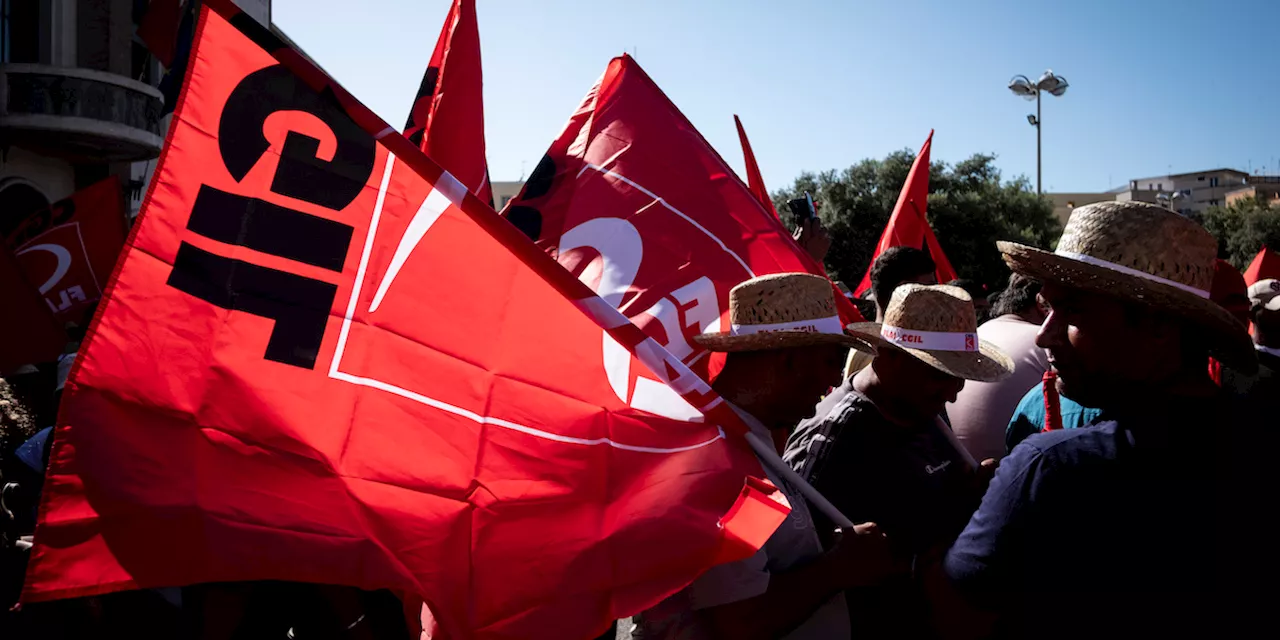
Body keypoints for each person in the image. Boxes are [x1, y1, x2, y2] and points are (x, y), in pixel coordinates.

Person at [945, 201, 1269, 639]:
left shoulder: (1050, 469)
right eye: (1047, 309)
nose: (1045, 335)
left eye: (1073, 312)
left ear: (1158, 326)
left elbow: (957, 611)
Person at [633, 273, 900, 640]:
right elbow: (742, 619)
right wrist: (840, 568)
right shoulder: (722, 463)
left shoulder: (748, 445)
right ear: (790, 362)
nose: (834, 379)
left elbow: (760, 567)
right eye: (829, 361)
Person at [786, 283, 1013, 638]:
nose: (953, 393)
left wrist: (974, 493)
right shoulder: (835, 440)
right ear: (887, 354)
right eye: (939, 373)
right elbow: (798, 575)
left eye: (960, 375)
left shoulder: (923, 409)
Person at [948, 274, 1050, 461]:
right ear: (1042, 305)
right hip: (1017, 470)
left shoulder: (978, 333)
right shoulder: (1047, 343)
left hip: (967, 470)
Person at [840, 247, 938, 389]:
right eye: (930, 287)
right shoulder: (882, 355)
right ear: (905, 290)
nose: (937, 296)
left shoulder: (872, 346)